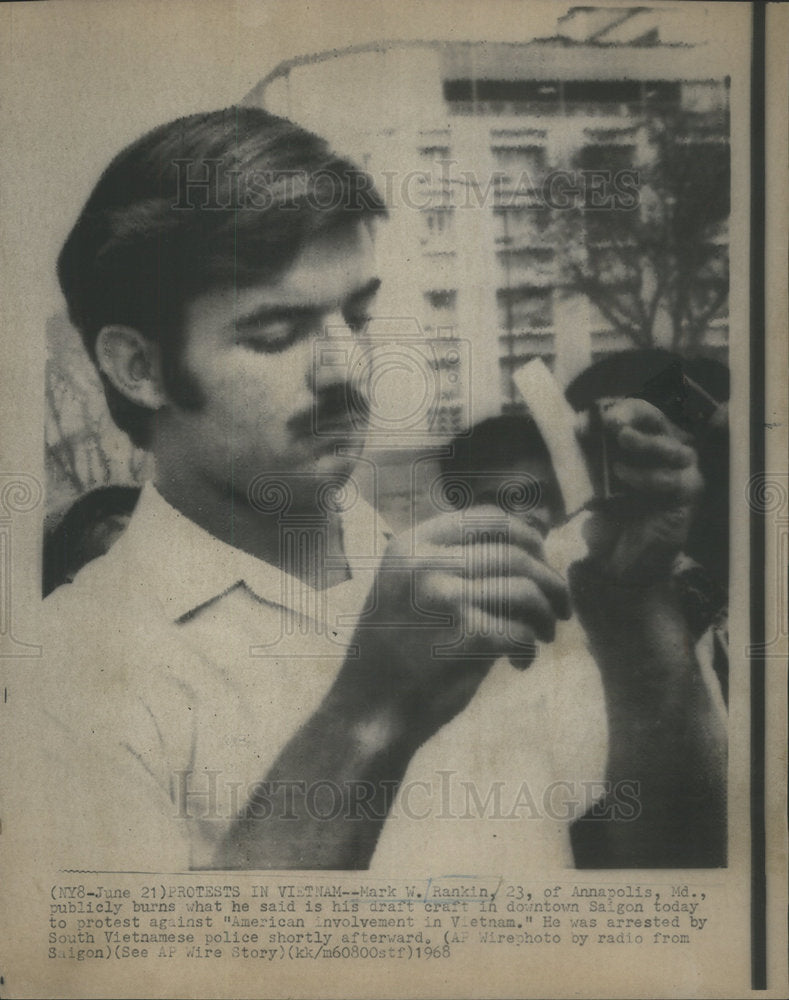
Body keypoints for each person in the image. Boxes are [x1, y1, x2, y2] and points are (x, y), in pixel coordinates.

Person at [5, 107, 725, 873]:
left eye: (358, 316)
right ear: (138, 368)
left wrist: (633, 605)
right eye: (275, 333)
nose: (346, 368)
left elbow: (675, 881)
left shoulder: (490, 582)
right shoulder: (67, 671)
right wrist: (369, 714)